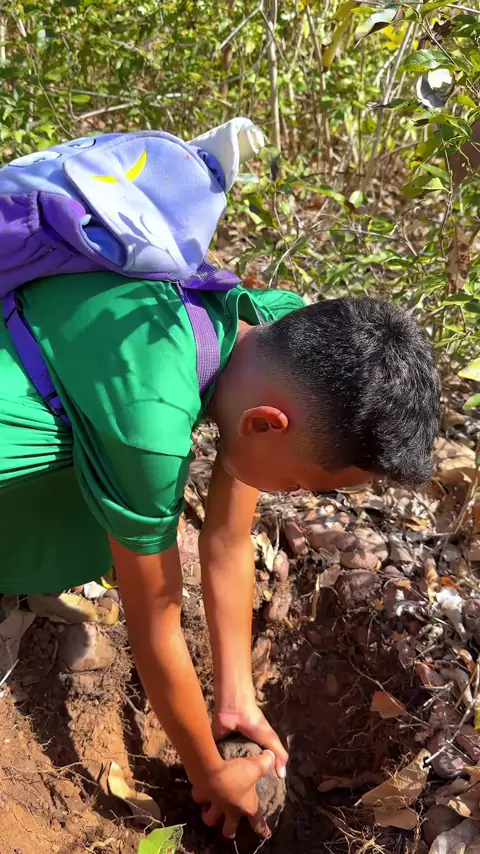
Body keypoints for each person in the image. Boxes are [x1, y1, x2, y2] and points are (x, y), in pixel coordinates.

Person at [0, 266, 441, 839]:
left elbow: (229, 537)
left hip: (46, 340)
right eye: (300, 485)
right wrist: (209, 772)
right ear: (265, 423)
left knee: (121, 513)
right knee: (110, 523)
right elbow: (155, 623)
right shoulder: (150, 429)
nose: (293, 495)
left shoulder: (276, 333)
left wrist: (236, 697)